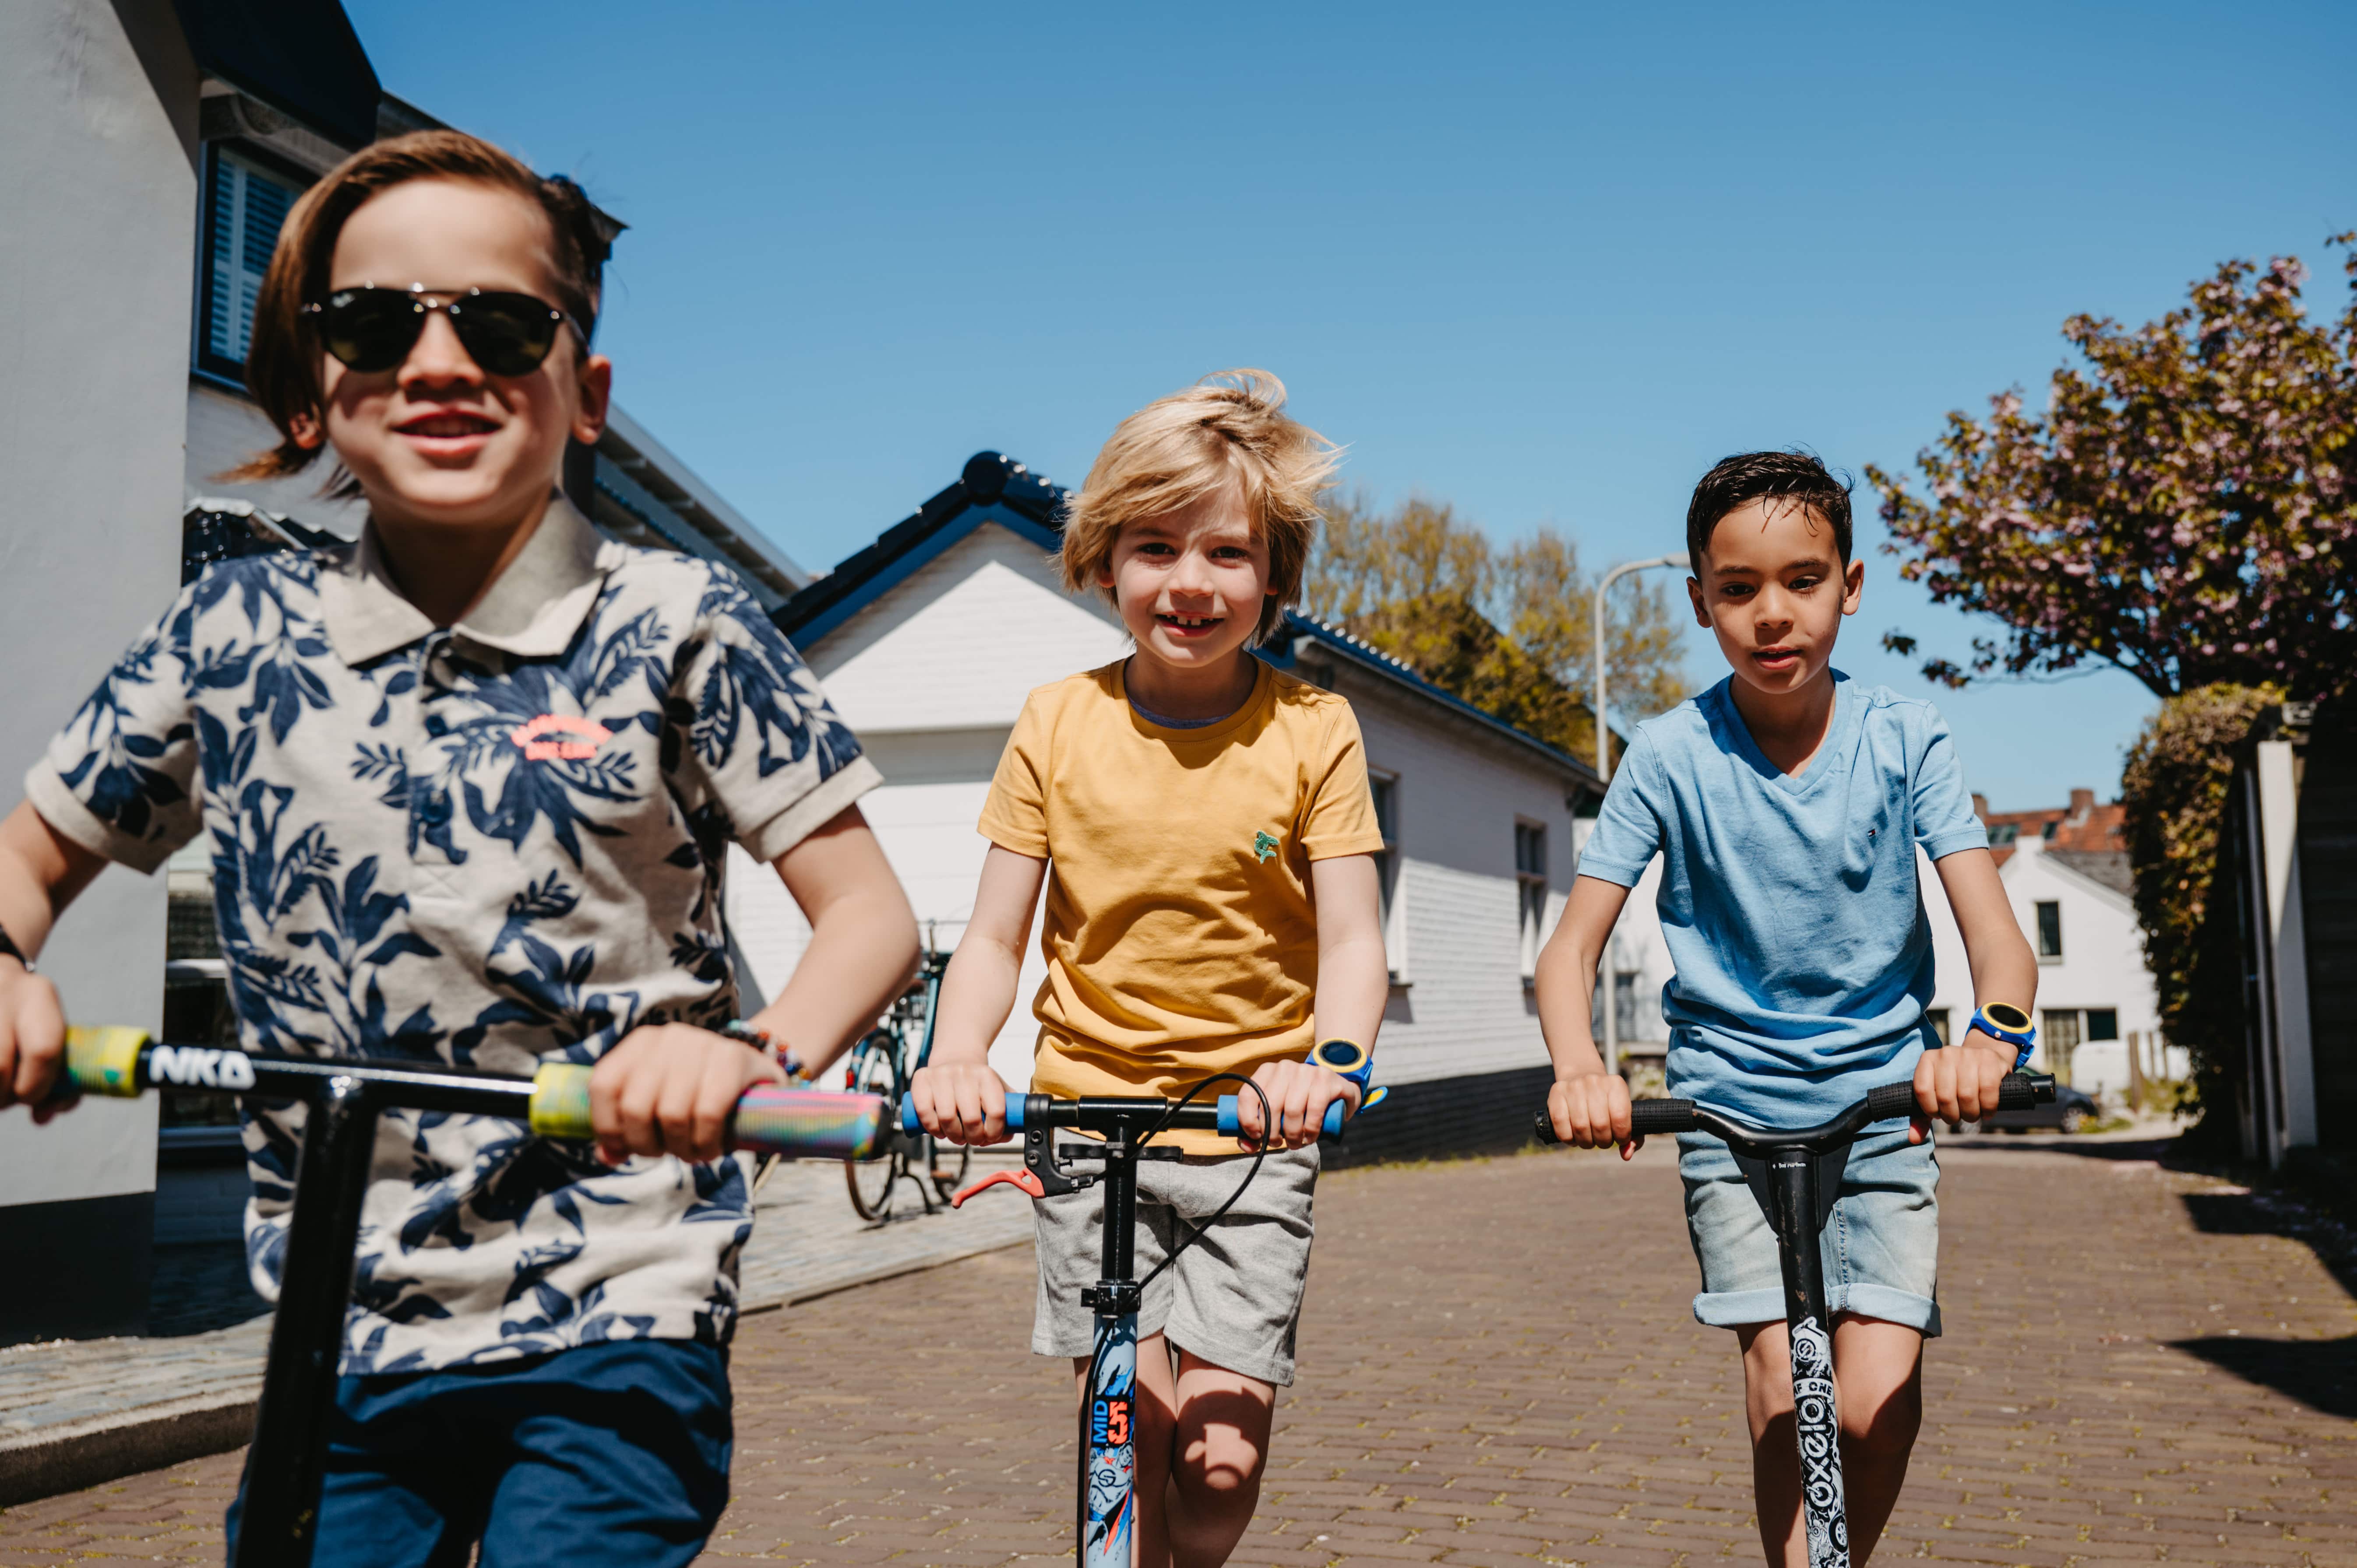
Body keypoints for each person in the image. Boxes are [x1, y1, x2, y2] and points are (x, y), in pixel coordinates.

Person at [0, 130, 918, 1566]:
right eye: (375, 322)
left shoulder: (678, 626)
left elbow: (868, 915)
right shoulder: (230, 638)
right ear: (311, 391)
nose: (438, 361)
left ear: (586, 393)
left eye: (499, 323)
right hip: (341, 1306)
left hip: (620, 1286)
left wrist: (756, 1055)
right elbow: (28, 859)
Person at [910, 370, 1392, 1568]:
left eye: (1227, 552)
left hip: (1249, 1136)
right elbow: (993, 934)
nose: (1190, 581)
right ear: (1104, 558)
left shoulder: (1311, 728)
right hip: (1088, 1123)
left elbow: (1352, 939)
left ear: (1274, 574)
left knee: (1220, 1464)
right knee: (1126, 1416)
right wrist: (958, 1052)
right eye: (1155, 546)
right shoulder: (1056, 721)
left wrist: (1327, 1062)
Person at [1534, 450, 2038, 1568]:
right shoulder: (1666, 754)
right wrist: (1579, 1067)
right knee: (1784, 1390)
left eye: (1802, 582)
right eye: (1739, 589)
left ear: (1849, 587)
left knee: (1874, 1403)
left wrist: (1990, 1039)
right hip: (1731, 1118)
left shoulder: (1906, 740)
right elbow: (1568, 949)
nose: (1773, 615)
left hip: (1883, 1107)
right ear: (1700, 600)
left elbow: (1995, 935)